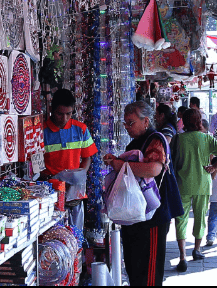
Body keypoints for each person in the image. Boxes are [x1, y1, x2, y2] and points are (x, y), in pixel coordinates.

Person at [103, 101, 182, 286]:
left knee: (149, 271)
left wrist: (120, 165)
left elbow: (153, 169)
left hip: (153, 215)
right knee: (135, 267)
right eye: (125, 123)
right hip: (136, 214)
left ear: (146, 121)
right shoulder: (136, 141)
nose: (127, 127)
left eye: (131, 123)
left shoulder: (156, 139)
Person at [43, 89, 98, 227]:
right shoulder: (41, 131)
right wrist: (50, 179)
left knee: (75, 239)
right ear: (51, 110)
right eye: (60, 114)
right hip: (50, 194)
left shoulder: (81, 129)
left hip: (75, 196)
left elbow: (87, 157)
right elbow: (36, 165)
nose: (64, 118)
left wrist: (78, 176)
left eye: (68, 114)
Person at [170, 108, 217, 271]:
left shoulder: (177, 139)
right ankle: (196, 250)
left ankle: (182, 256)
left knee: (180, 219)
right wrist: (213, 167)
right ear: (198, 122)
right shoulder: (207, 138)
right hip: (203, 184)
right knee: (200, 218)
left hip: (181, 184)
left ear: (184, 122)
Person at [205, 156, 217, 247]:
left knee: (212, 219)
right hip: (214, 200)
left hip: (214, 200)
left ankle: (210, 237)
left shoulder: (212, 173)